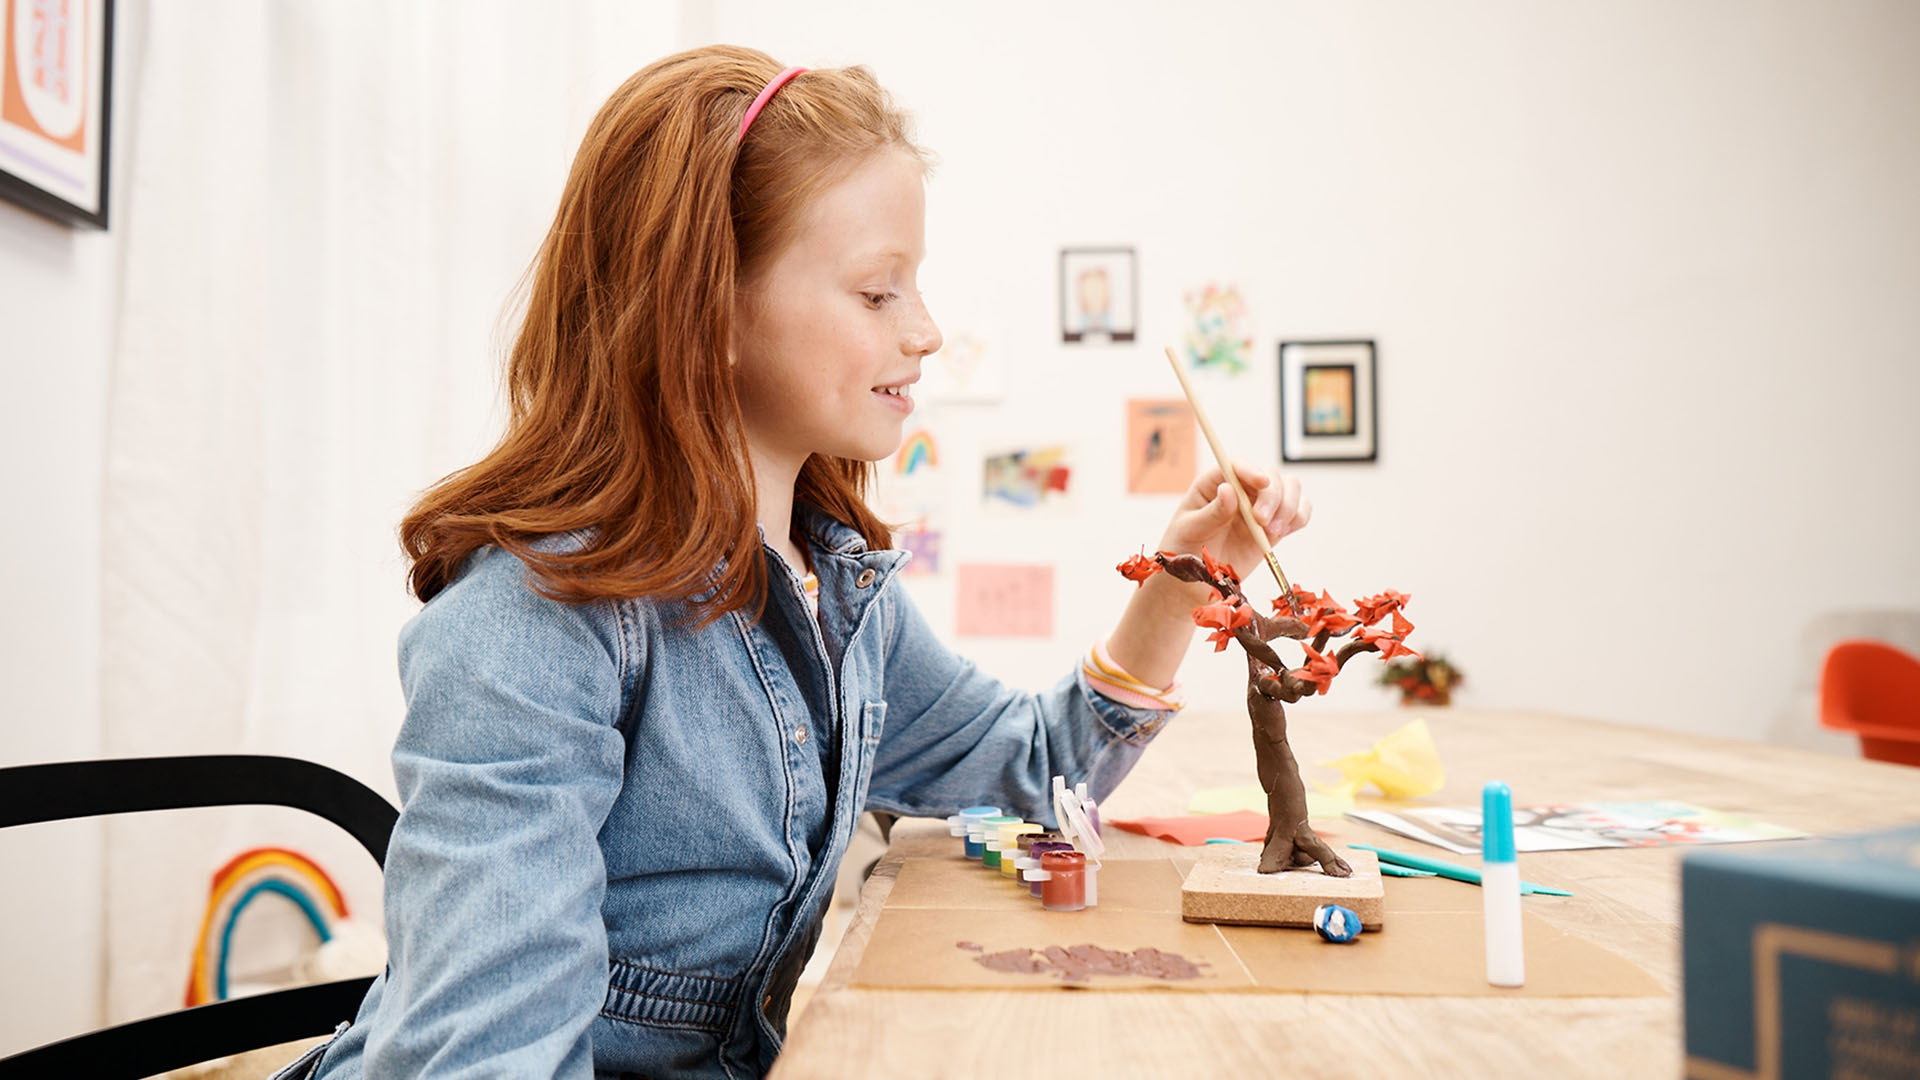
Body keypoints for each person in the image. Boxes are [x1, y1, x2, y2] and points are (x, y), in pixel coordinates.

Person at [280, 44, 1310, 1080]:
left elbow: (1026, 770)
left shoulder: (834, 586)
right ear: (708, 305)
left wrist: (1182, 580)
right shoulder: (533, 622)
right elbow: (480, 1062)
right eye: (877, 293)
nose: (928, 331)